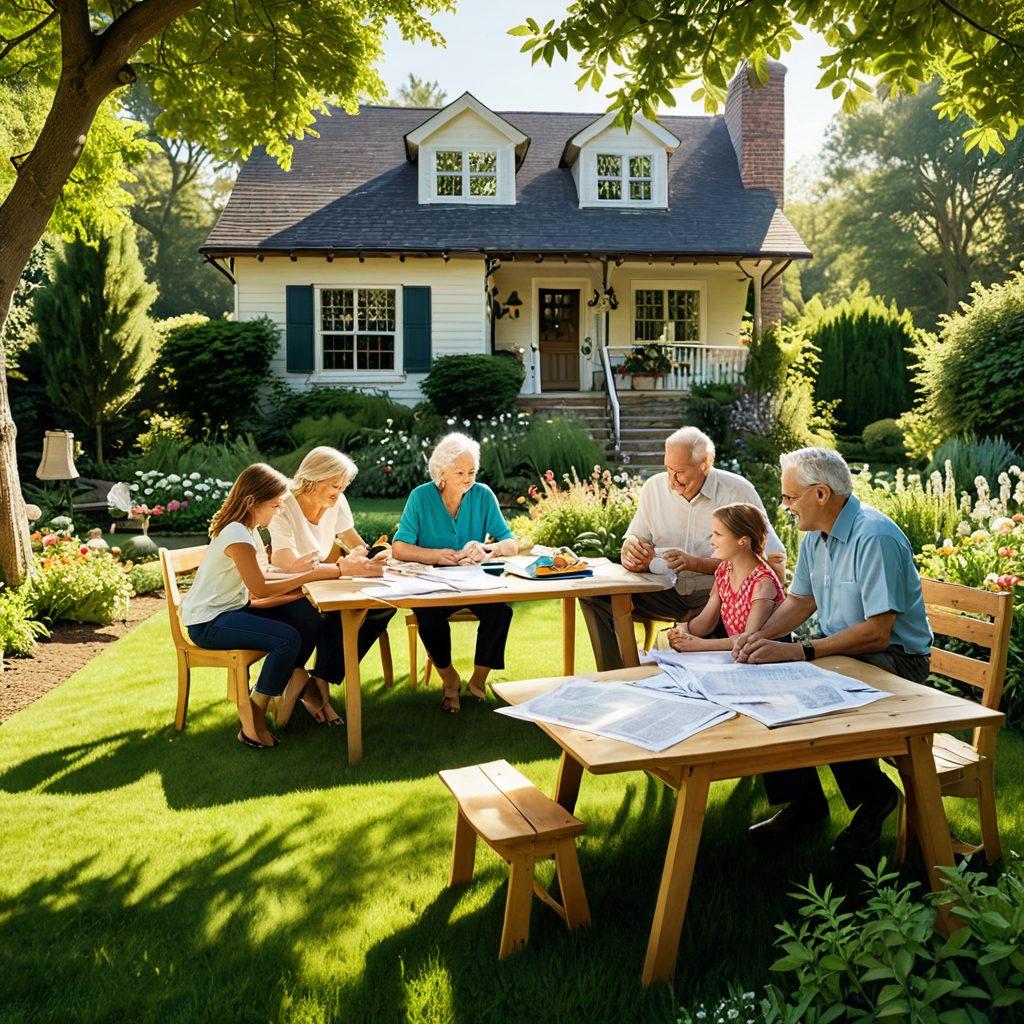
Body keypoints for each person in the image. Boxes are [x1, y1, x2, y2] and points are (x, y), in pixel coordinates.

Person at [733, 447, 934, 853]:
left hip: (898, 660)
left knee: (808, 688)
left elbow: (878, 633)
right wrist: (759, 639)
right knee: (768, 680)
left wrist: (800, 652)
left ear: (821, 494)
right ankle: (806, 804)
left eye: (790, 497)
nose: (783, 505)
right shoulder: (815, 538)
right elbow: (800, 602)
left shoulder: (874, 537)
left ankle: (875, 796)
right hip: (848, 656)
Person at [581, 426, 787, 670]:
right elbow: (635, 538)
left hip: (717, 599)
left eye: (680, 472)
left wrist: (696, 564)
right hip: (664, 591)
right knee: (595, 595)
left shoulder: (737, 491)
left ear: (705, 465)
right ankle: (617, 673)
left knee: (710, 659)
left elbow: (769, 556)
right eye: (667, 469)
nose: (672, 480)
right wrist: (631, 551)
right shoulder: (653, 488)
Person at [181, 464, 348, 749]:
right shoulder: (236, 534)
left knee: (305, 615)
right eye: (275, 505)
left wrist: (303, 584)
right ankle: (255, 709)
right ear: (251, 502)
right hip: (209, 623)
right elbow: (259, 588)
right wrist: (308, 576)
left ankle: (296, 680)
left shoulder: (248, 530)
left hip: (231, 611)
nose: (279, 511)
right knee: (286, 638)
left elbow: (266, 574)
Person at [391, 433, 519, 713]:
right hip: (432, 580)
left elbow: (511, 543)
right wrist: (435, 555)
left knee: (500, 612)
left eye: (471, 471)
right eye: (460, 472)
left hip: (473, 579)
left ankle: (478, 679)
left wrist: (490, 551)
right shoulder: (421, 497)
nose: (467, 478)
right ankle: (450, 680)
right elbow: (399, 548)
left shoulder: (482, 494)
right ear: (441, 473)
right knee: (429, 616)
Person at [268, 446, 390, 725]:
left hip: (324, 579)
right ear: (313, 480)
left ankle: (321, 679)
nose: (340, 492)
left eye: (344, 485)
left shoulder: (337, 501)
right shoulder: (283, 504)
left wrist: (372, 555)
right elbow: (282, 558)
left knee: (380, 609)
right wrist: (335, 569)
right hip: (292, 588)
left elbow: (349, 537)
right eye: (335, 485)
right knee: (324, 615)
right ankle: (305, 682)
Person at [665, 503, 785, 653]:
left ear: (743, 540)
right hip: (742, 656)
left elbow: (749, 638)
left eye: (718, 534)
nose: (712, 541)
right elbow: (706, 623)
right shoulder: (723, 571)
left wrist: (699, 645)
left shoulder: (763, 582)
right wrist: (682, 632)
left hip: (770, 659)